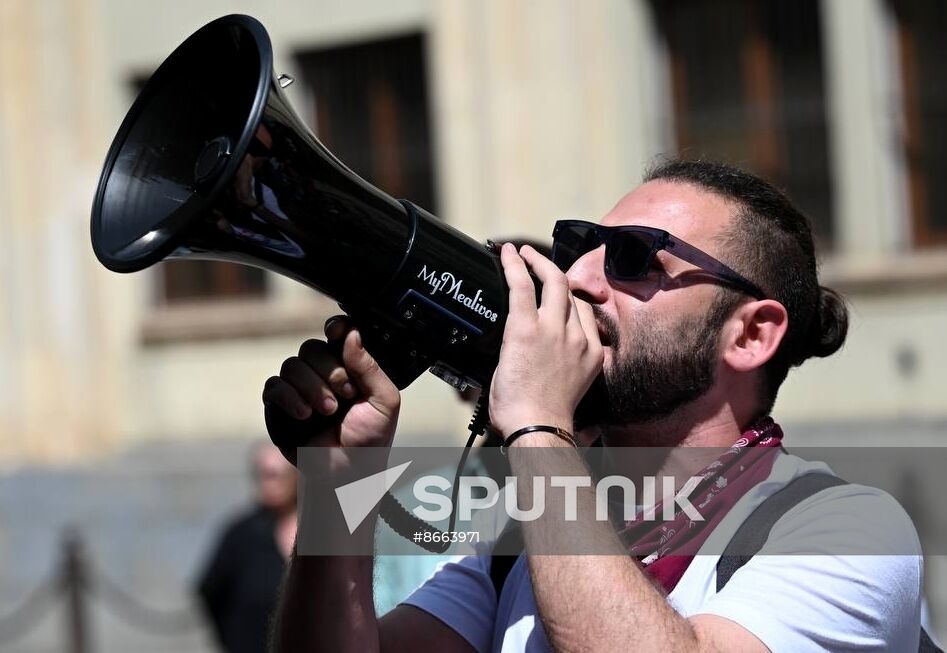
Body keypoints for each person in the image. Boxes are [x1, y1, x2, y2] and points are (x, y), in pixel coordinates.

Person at [263, 160, 925, 651]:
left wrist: (536, 424)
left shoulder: (846, 531)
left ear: (750, 333)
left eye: (634, 257)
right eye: (583, 248)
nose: (576, 277)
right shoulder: (513, 544)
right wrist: (337, 482)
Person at [196, 441, 297, 653]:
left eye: (275, 475)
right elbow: (210, 589)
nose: (268, 484)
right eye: (262, 475)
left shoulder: (317, 527)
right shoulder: (241, 533)